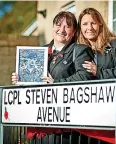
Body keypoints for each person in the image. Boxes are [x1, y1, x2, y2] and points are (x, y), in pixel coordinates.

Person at [12, 11, 94, 144]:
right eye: (58, 25)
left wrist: (56, 83)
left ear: (74, 32)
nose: (61, 30)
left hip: (66, 128)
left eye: (67, 26)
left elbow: (86, 76)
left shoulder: (80, 50)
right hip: (39, 122)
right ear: (52, 27)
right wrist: (21, 79)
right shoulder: (40, 51)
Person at [77, 7, 116, 144]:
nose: (89, 27)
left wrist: (98, 71)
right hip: (91, 113)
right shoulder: (80, 51)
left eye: (93, 23)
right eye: (85, 24)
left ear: (100, 24)